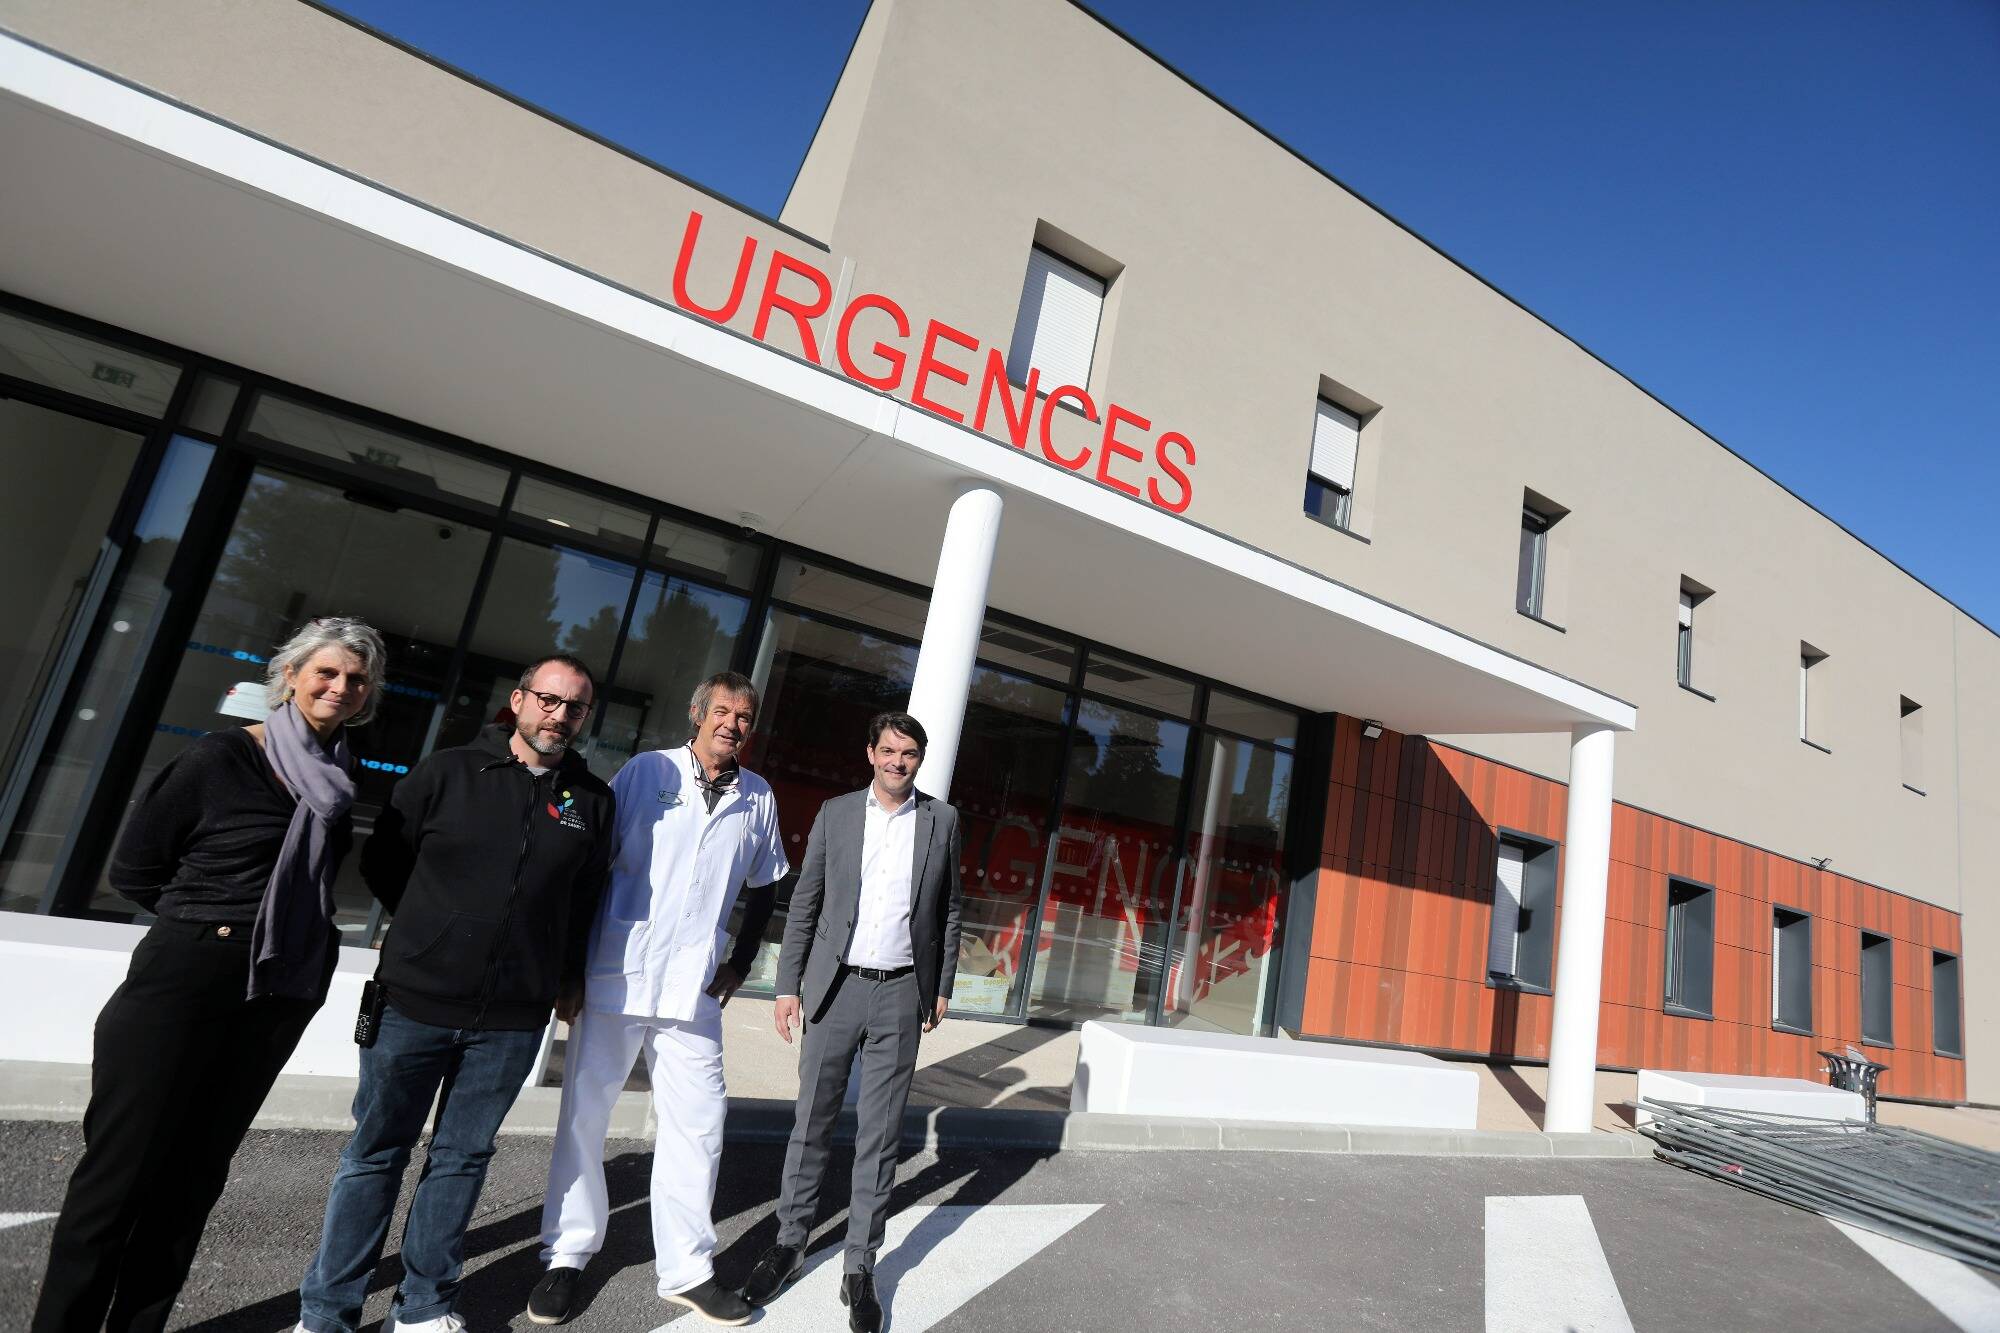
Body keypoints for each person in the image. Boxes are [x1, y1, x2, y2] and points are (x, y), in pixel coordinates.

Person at [31, 616, 386, 1333]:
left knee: (193, 1180)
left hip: (274, 994)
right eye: (326, 671)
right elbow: (135, 867)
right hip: (182, 979)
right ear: (289, 675)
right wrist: (211, 926)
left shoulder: (338, 779)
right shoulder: (220, 758)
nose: (339, 686)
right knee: (117, 1176)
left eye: (354, 679)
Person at [293, 654, 614, 1333]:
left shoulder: (591, 798)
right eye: (549, 700)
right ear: (521, 700)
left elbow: (584, 896)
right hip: (413, 1002)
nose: (560, 715)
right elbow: (384, 858)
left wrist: (566, 975)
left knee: (463, 1160)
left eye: (575, 707)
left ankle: (422, 1307)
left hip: (512, 1018)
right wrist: (428, 929)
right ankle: (326, 1313)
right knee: (375, 1154)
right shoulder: (448, 771)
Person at [527, 671, 789, 1328]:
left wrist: (741, 961)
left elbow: (766, 886)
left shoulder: (757, 796)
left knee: (698, 1124)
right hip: (615, 970)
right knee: (586, 1115)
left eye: (744, 716)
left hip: (693, 987)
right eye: (723, 711)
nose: (733, 723)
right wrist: (571, 968)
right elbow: (590, 865)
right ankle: (567, 1252)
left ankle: (689, 1270)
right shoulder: (646, 773)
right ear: (697, 714)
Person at [740, 712, 964, 1333]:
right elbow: (805, 902)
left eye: (909, 754)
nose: (898, 762)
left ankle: (859, 1265)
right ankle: (789, 1243)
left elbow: (949, 910)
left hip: (899, 994)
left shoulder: (941, 821)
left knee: (881, 1133)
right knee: (811, 1121)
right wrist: (787, 987)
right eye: (889, 751)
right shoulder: (837, 815)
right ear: (870, 753)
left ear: (920, 759)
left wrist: (940, 984)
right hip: (835, 990)